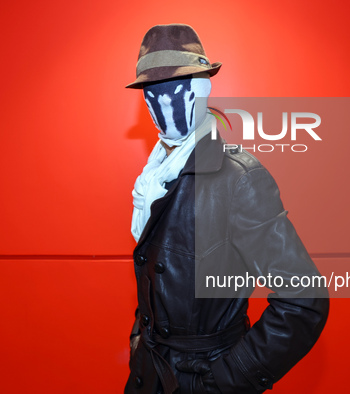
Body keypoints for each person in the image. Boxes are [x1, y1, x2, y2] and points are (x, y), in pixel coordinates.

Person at [125, 23, 329, 394]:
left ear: (202, 90)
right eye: (151, 91)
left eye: (177, 88)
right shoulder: (151, 179)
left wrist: (227, 381)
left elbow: (304, 298)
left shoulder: (238, 179)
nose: (164, 102)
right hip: (149, 376)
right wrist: (140, 339)